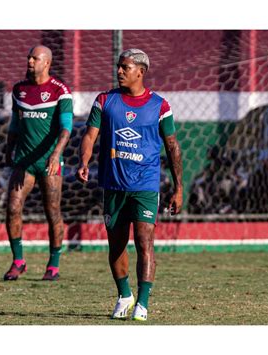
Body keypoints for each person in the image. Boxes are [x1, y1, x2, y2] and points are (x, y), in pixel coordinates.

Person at [76, 49, 183, 321]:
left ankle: (143, 304)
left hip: (146, 185)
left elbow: (172, 146)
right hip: (113, 185)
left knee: (145, 241)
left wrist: (179, 188)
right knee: (117, 246)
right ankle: (125, 295)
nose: (119, 71)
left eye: (125, 67)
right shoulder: (105, 101)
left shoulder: (160, 106)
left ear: (141, 72)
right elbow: (90, 136)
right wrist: (84, 161)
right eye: (118, 66)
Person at [3, 45, 73, 281]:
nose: (30, 61)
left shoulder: (60, 91)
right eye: (29, 57)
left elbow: (66, 129)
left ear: (47, 63)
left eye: (36, 58)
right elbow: (14, 125)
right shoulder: (19, 90)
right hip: (24, 161)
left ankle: (53, 264)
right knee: (12, 207)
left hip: (49, 163)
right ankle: (18, 261)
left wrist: (56, 155)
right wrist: (8, 150)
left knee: (52, 211)